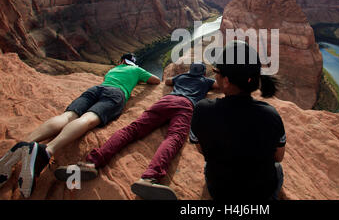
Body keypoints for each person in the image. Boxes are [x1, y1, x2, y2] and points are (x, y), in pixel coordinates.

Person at [0, 53, 160, 198]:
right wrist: (138, 78)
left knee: (67, 116)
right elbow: (156, 80)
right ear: (133, 63)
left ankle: (26, 143)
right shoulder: (136, 70)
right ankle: (46, 151)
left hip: (96, 89)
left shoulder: (113, 70)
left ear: (121, 61)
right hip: (115, 94)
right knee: (89, 118)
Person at [54, 62, 218, 200]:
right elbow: (219, 85)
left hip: (164, 101)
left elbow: (167, 82)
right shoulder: (205, 81)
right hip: (185, 105)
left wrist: (179, 78)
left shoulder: (181, 77)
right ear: (203, 73)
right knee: (174, 137)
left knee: (132, 130)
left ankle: (91, 162)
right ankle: (149, 177)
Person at [189, 41, 286, 200]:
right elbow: (278, 157)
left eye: (216, 71)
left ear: (226, 81)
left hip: (219, 190)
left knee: (208, 165)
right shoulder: (271, 115)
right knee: (278, 168)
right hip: (262, 193)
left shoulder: (202, 109)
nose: (215, 75)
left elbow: (201, 150)